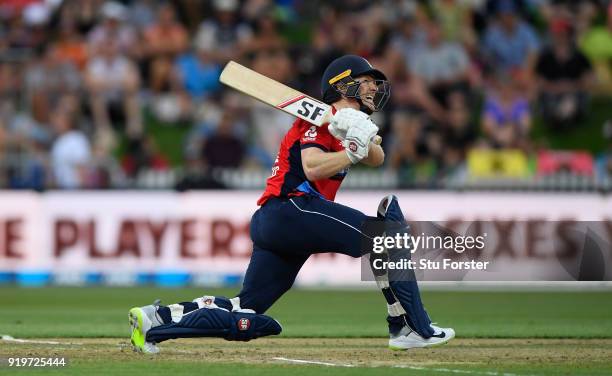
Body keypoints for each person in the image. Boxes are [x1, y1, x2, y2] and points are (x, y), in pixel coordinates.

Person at [127, 55, 455, 353]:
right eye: (366, 80)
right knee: (386, 236)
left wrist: (361, 134)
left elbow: (378, 158)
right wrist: (350, 150)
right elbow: (312, 167)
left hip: (279, 221)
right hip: (292, 208)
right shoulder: (316, 121)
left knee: (246, 307)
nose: (373, 87)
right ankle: (410, 327)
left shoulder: (341, 123)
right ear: (344, 84)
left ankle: (156, 319)